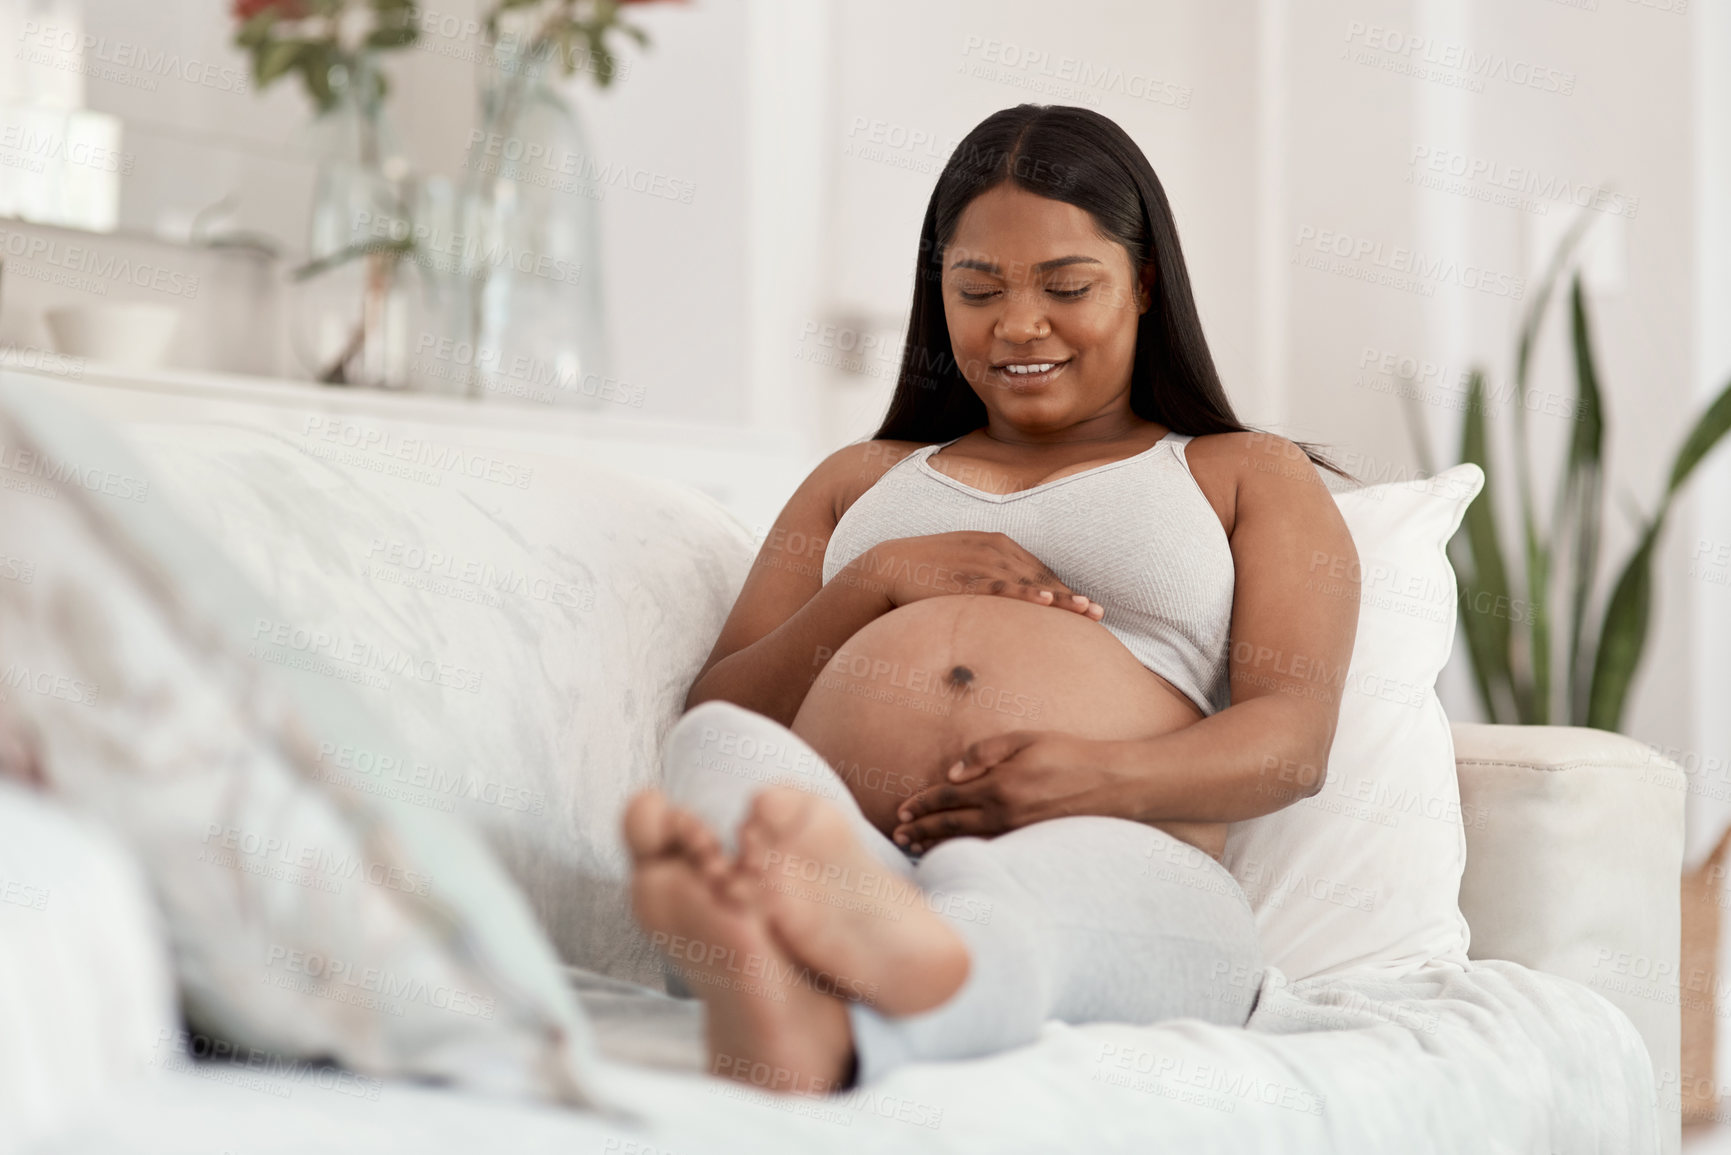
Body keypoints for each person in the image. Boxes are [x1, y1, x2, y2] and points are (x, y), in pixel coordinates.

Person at [622, 103, 1360, 1095]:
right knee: (706, 751)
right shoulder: (858, 478)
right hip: (853, 853)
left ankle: (847, 995)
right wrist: (876, 584)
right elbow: (722, 708)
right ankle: (825, 942)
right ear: (941, 294)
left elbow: (1291, 742)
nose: (1019, 325)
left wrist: (1090, 780)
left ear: (1143, 284)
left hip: (1121, 861)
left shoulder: (1246, 473)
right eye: (978, 290)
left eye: (1067, 286)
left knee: (1003, 898)